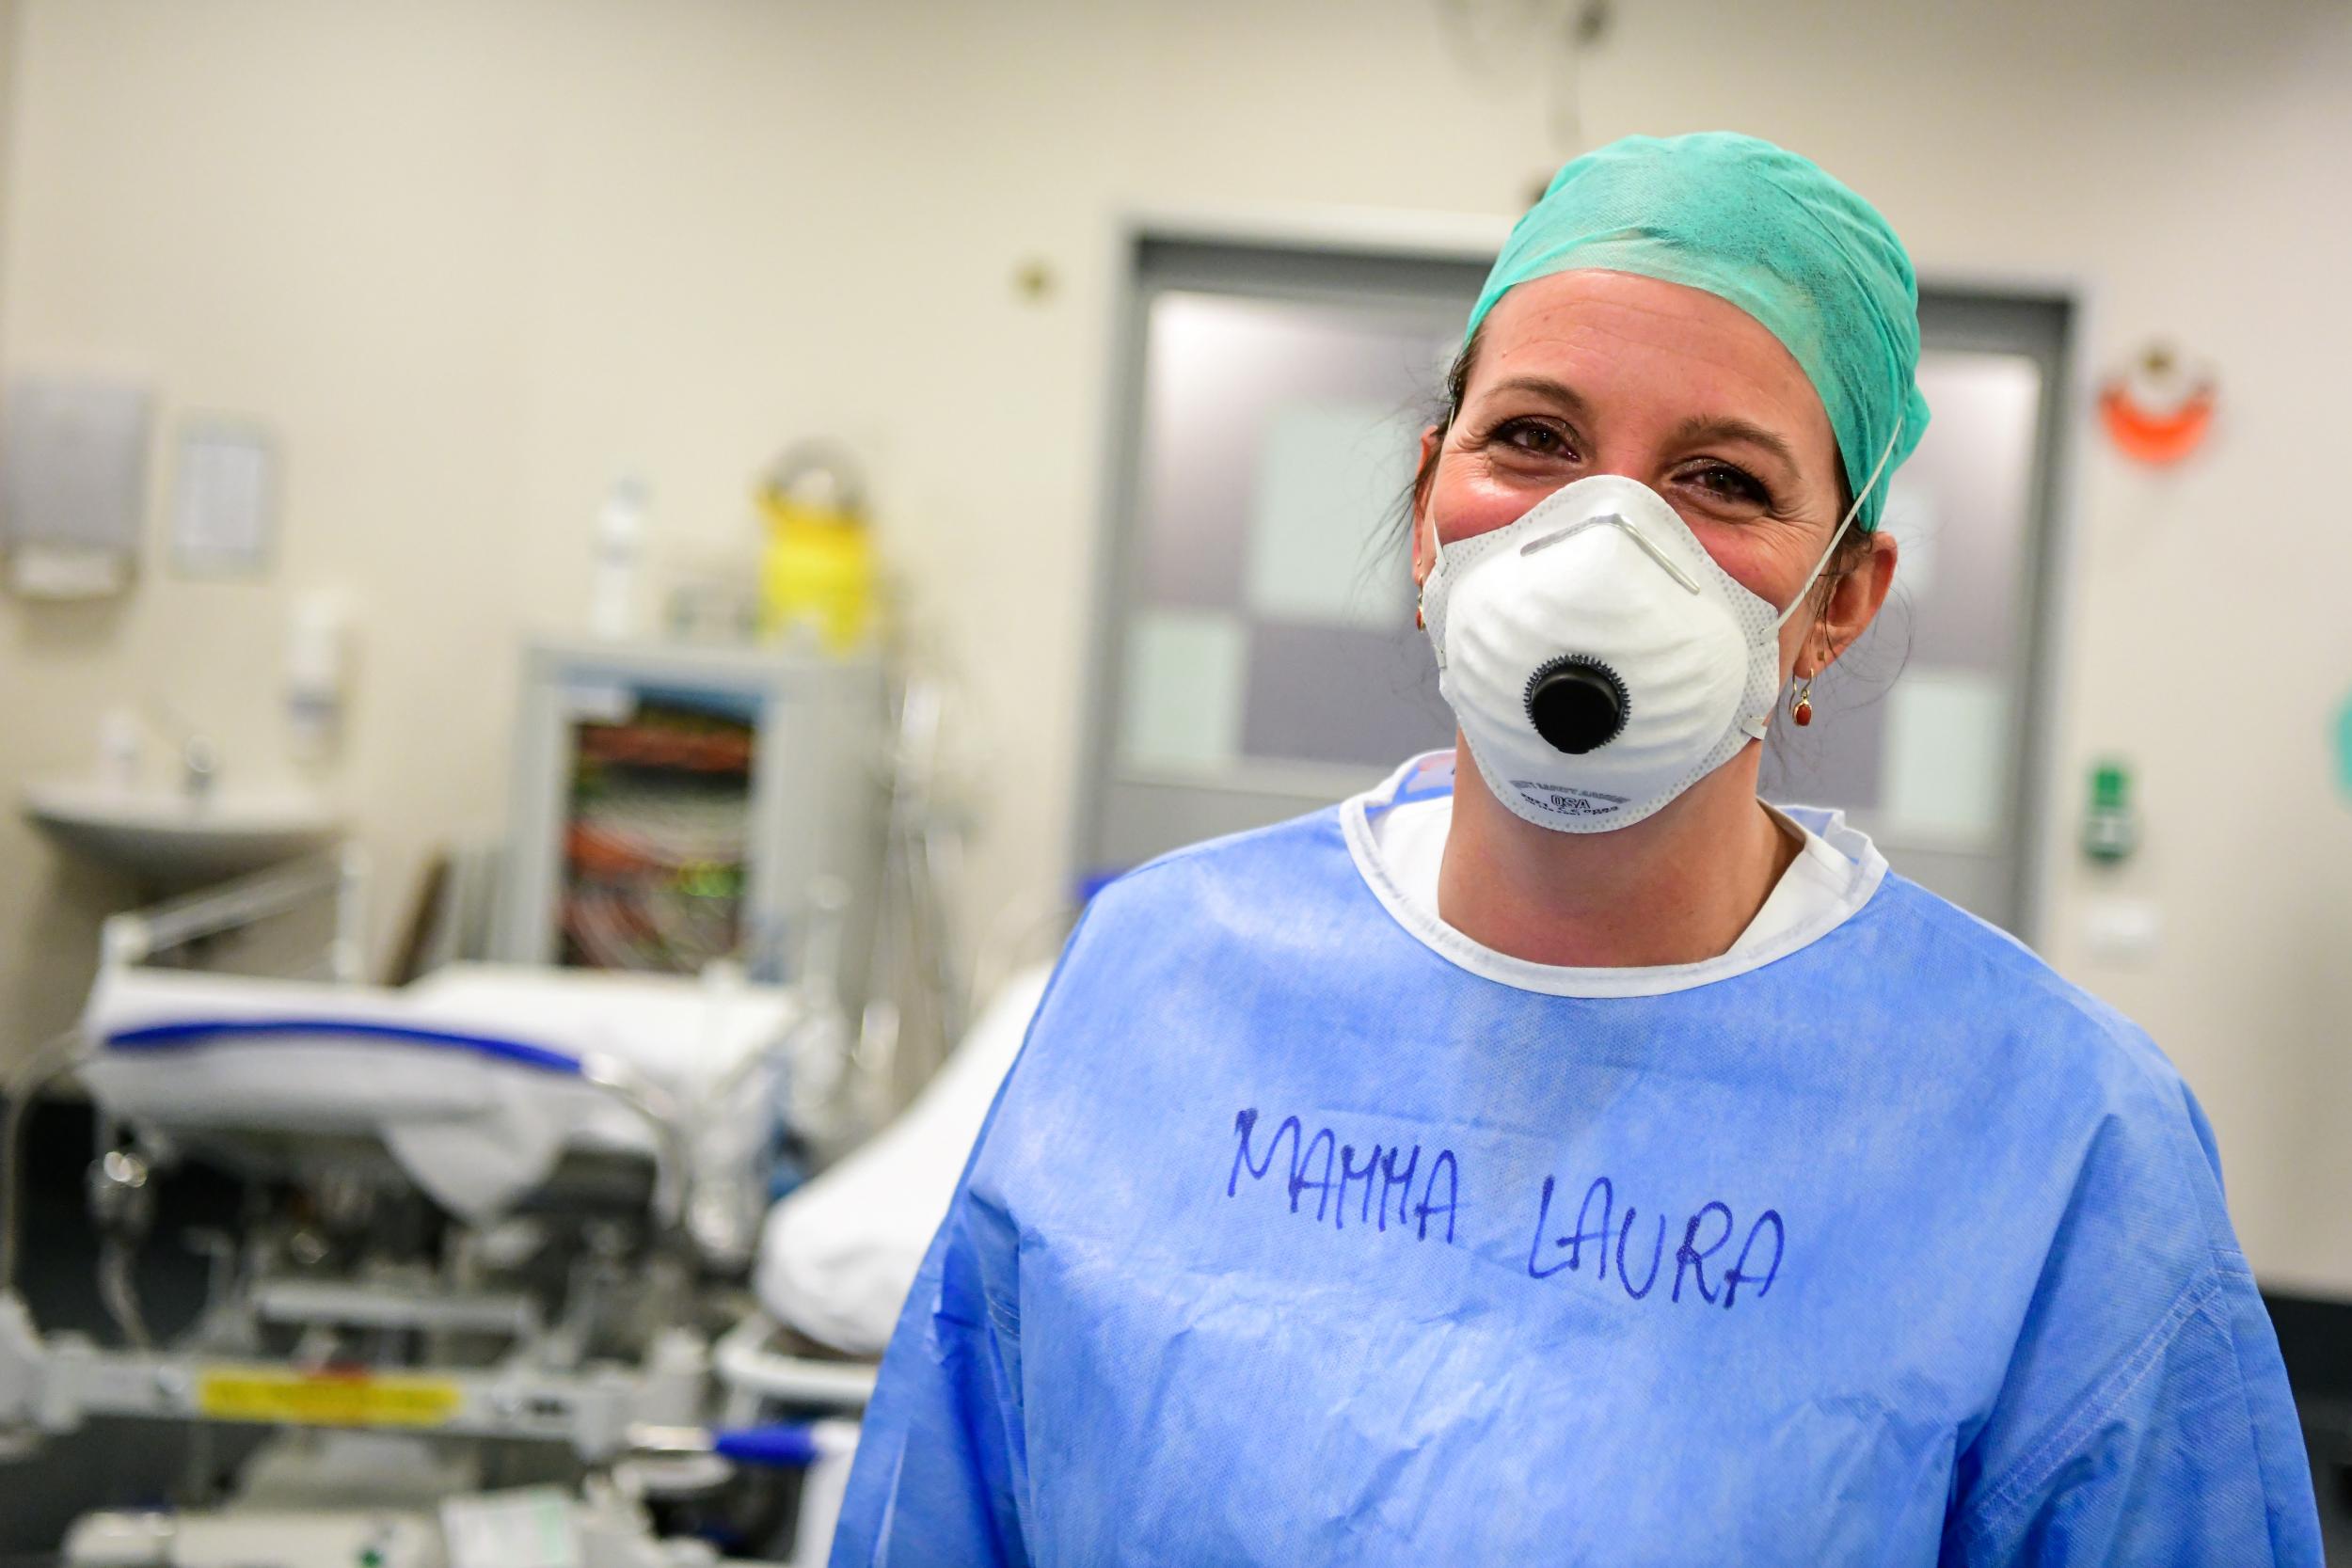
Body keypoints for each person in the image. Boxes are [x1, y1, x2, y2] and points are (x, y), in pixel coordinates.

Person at [829, 133, 2322, 1564]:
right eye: (1534, 441)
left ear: (1844, 596)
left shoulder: (2058, 1137)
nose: (1605, 545)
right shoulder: (1156, 982)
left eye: (1723, 480)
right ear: (1430, 505)